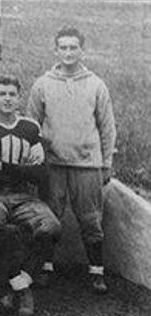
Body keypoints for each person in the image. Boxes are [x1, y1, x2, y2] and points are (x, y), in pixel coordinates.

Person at [26, 27, 116, 293]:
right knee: (51, 218)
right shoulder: (43, 83)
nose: (68, 53)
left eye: (73, 47)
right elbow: (32, 125)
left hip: (87, 163)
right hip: (53, 164)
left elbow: (107, 127)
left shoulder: (95, 84)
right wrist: (36, 161)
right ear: (56, 50)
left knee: (90, 220)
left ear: (81, 50)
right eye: (63, 47)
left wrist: (106, 163)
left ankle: (96, 272)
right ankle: (45, 268)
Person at [0, 76, 61, 316]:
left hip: (23, 194)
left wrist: (3, 165)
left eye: (12, 94)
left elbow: (40, 173)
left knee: (51, 227)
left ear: (19, 98)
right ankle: (22, 290)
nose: (7, 99)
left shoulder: (30, 128)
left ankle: (19, 285)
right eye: (2, 94)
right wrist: (21, 167)